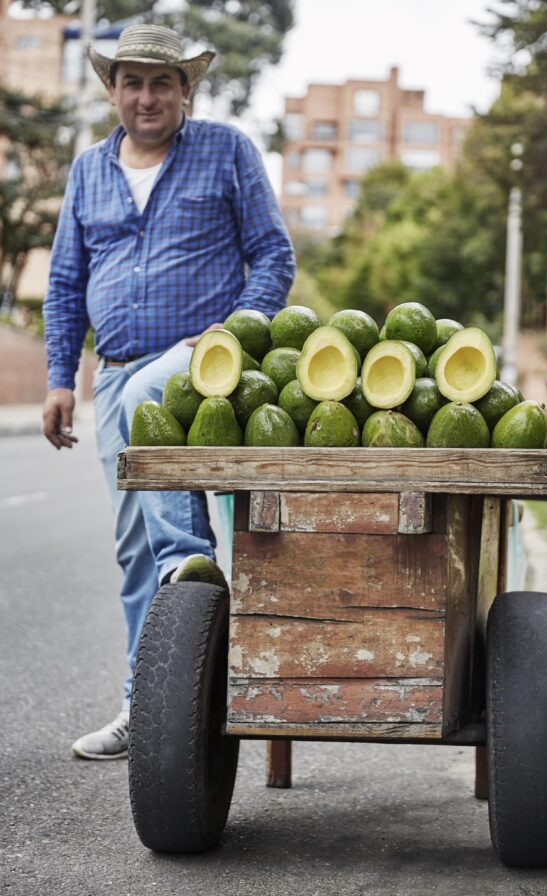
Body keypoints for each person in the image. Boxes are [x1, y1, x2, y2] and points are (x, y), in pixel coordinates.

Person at [42, 24, 295, 760]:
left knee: (168, 542)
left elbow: (273, 255)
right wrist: (63, 377)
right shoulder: (88, 169)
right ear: (113, 90)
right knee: (132, 549)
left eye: (161, 83)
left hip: (205, 372)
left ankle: (190, 569)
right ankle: (145, 704)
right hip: (115, 373)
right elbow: (64, 282)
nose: (146, 97)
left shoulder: (226, 150)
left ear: (186, 90)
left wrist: (236, 333)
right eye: (132, 82)